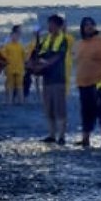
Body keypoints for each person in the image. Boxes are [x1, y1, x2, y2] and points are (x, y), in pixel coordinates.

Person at [74, 17, 101, 148]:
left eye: (90, 25)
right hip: (83, 83)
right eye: (85, 25)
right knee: (86, 112)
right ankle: (85, 139)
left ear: (95, 26)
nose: (88, 27)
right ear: (82, 28)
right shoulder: (80, 44)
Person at [32, 15, 69, 144]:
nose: (49, 27)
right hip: (47, 80)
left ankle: (62, 136)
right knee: (49, 108)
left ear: (58, 26)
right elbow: (37, 53)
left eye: (51, 24)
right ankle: (52, 134)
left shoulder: (63, 40)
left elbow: (58, 57)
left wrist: (44, 64)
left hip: (58, 79)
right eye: (49, 24)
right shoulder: (46, 39)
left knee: (60, 108)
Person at [0, 25, 27, 104]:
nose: (17, 36)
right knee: (10, 86)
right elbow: (3, 56)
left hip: (19, 68)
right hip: (10, 68)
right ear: (11, 35)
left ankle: (21, 101)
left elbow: (24, 57)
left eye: (18, 35)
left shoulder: (21, 46)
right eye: (14, 35)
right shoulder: (7, 45)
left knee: (19, 86)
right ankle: (9, 101)